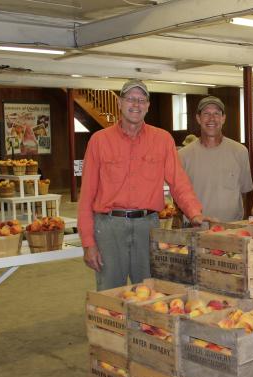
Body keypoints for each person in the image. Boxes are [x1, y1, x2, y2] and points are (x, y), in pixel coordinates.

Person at [78, 79, 204, 290]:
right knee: (110, 293)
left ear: (147, 105)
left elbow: (178, 181)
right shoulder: (99, 141)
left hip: (148, 226)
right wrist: (88, 243)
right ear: (119, 103)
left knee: (149, 291)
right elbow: (87, 195)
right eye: (130, 99)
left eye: (141, 100)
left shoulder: (162, 139)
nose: (135, 104)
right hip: (109, 227)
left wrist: (194, 213)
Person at [178, 96, 253, 222]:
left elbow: (245, 194)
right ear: (198, 118)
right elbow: (179, 196)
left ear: (223, 118)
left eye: (216, 114)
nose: (211, 118)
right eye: (206, 113)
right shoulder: (183, 155)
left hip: (232, 230)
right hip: (195, 231)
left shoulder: (240, 152)